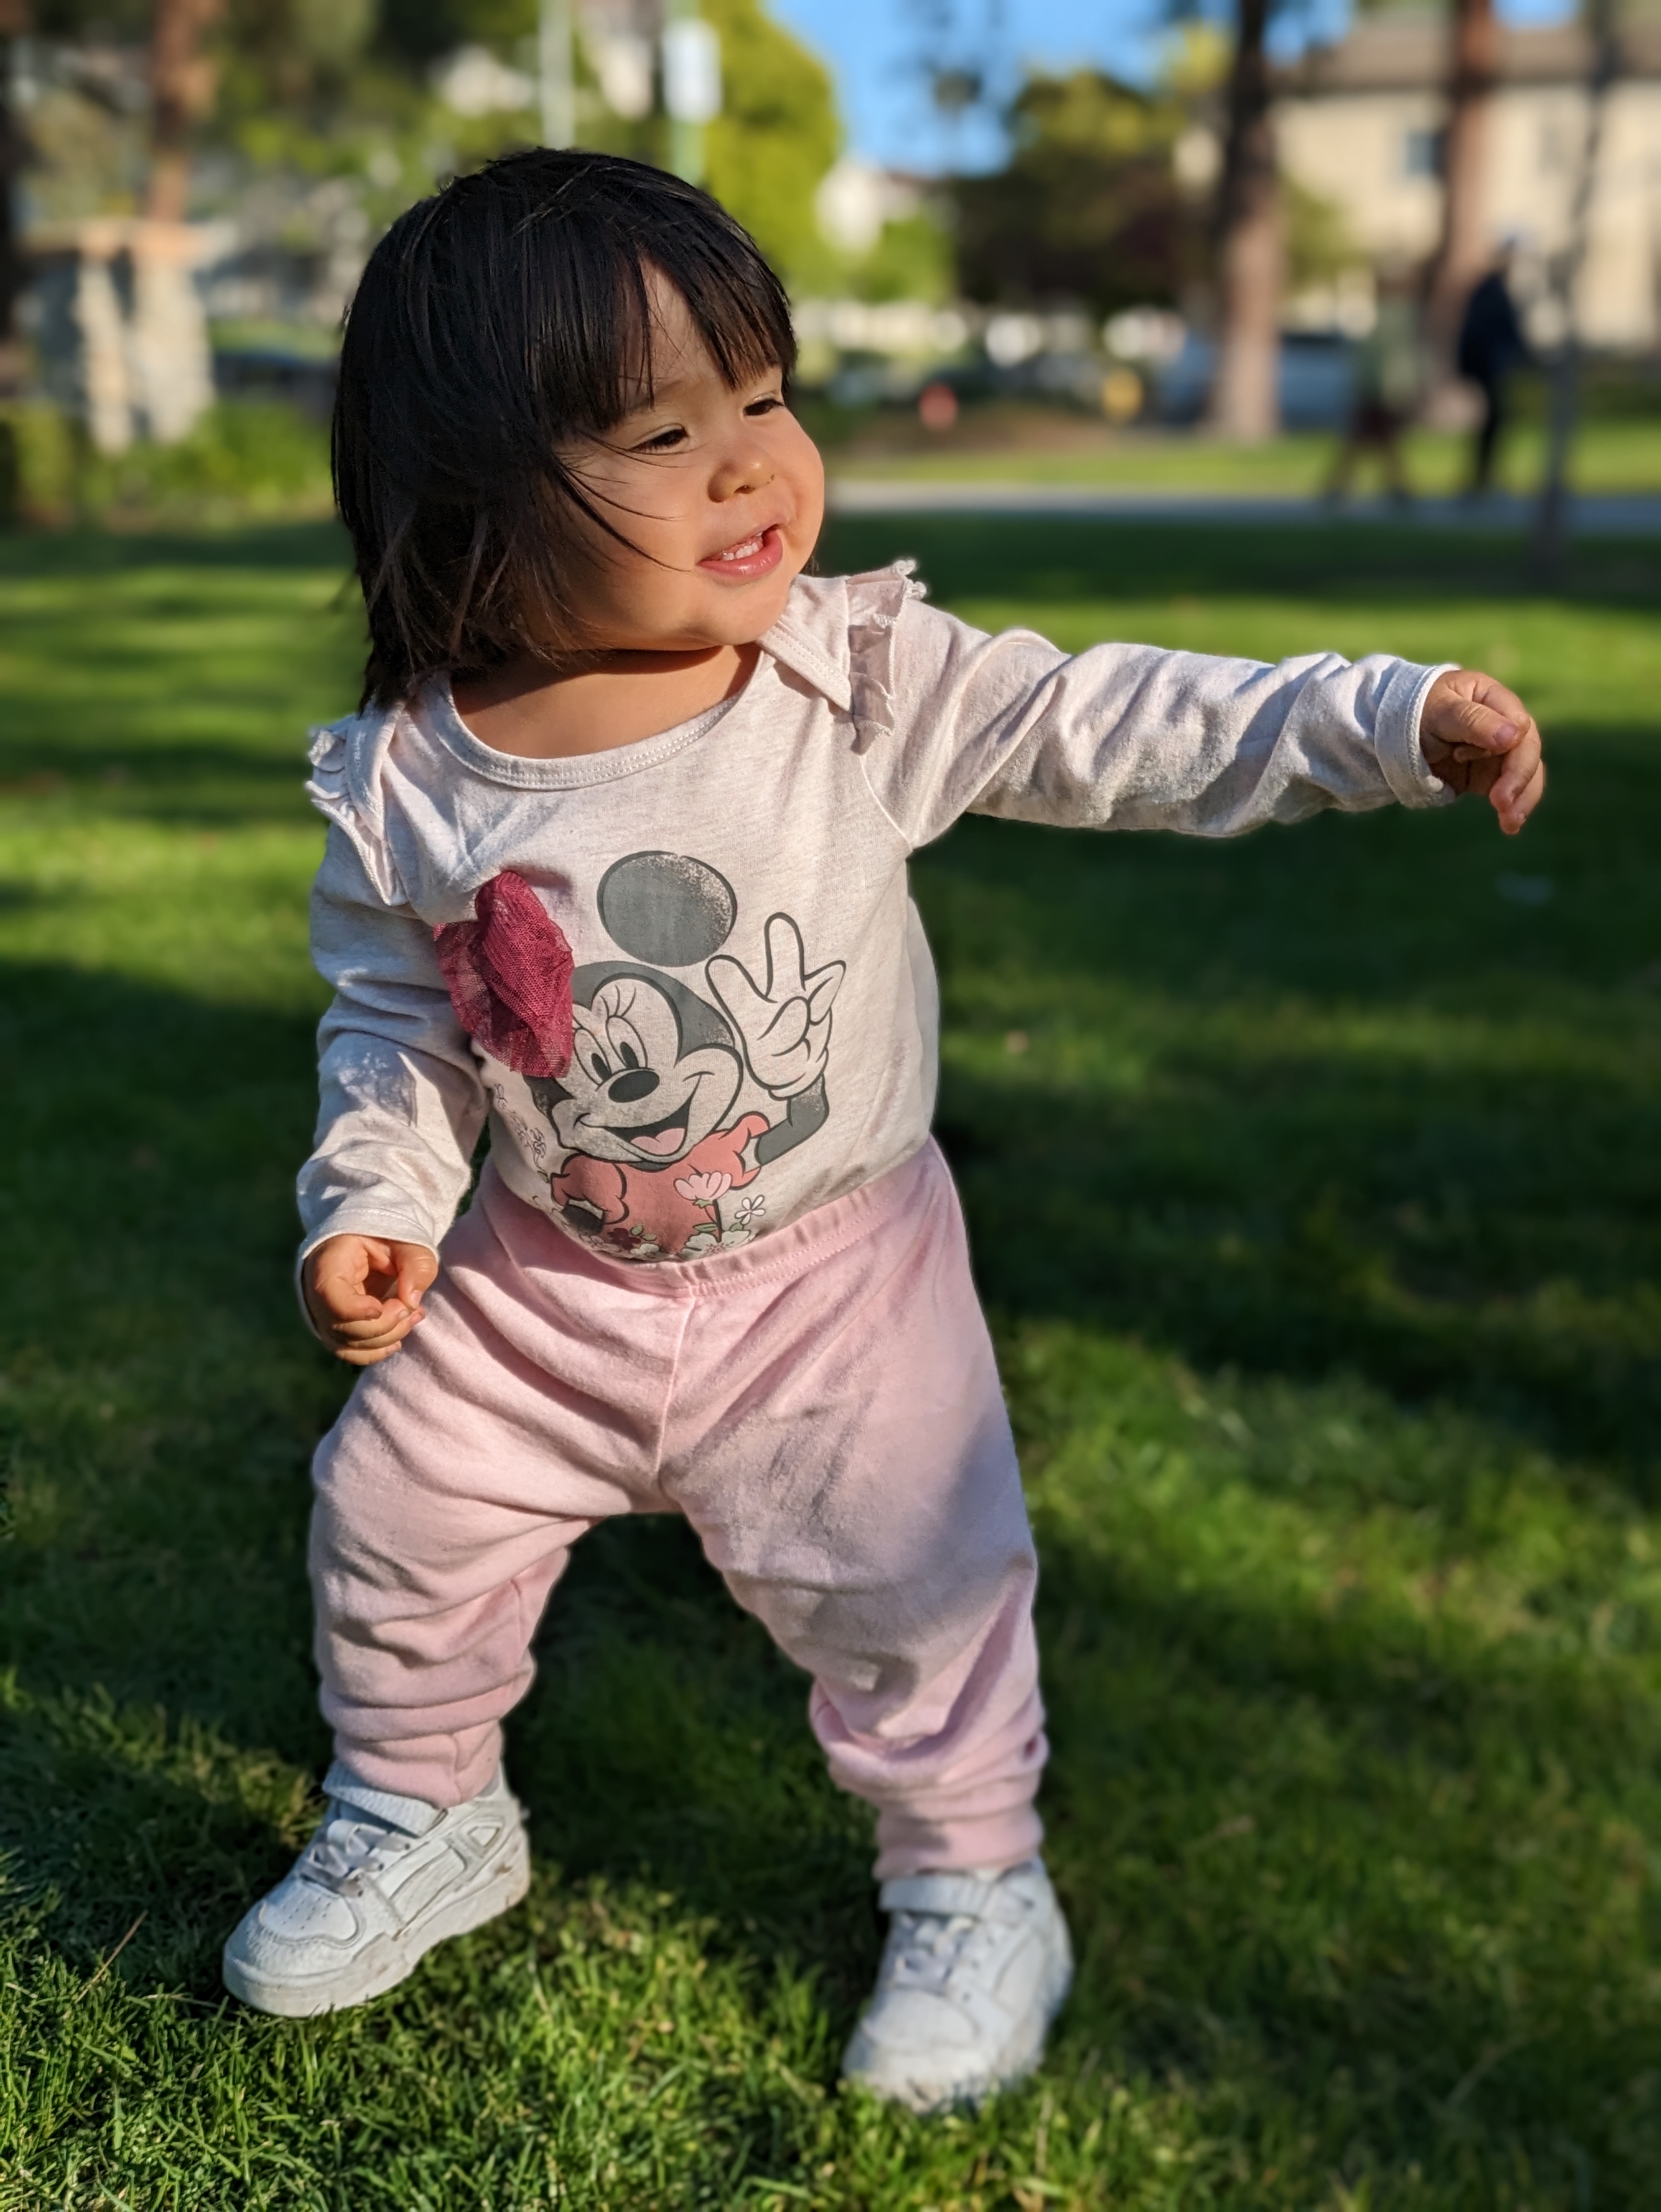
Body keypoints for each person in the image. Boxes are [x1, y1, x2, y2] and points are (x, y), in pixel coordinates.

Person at [220, 150, 1546, 2110]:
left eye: (762, 396)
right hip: (536, 1283)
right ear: (471, 500)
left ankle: (972, 1881)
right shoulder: (414, 778)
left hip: (834, 1291)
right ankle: (421, 1808)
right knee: (395, 1521)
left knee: (917, 1597)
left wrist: (1376, 715)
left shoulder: (843, 675)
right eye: (661, 431)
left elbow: (1117, 722)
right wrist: (379, 1201)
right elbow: (401, 1026)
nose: (753, 462)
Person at [1325, 262, 1422, 504]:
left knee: (1371, 439)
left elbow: (1386, 356)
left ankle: (1348, 484)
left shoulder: (1390, 314)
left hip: (1380, 387)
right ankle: (1394, 485)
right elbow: (1390, 357)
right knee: (1375, 439)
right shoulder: (1395, 316)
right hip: (1383, 388)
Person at [1458, 241, 1529, 496]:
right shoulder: (1491, 290)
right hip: (1488, 366)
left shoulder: (1497, 289)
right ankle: (1481, 478)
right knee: (1492, 421)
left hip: (1493, 365)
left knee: (1495, 422)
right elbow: (1482, 333)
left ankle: (1485, 476)